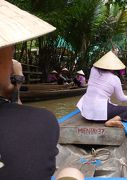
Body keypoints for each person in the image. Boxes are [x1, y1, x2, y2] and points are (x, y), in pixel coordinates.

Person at [0, 1, 59, 180]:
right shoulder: (43, 120)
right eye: (11, 58)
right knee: (71, 173)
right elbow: (18, 115)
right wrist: (15, 86)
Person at [77, 51, 127, 128]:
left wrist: (113, 56)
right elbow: (121, 98)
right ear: (114, 66)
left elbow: (96, 66)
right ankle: (112, 120)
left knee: (110, 104)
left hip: (86, 113)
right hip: (100, 113)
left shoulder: (93, 70)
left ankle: (111, 119)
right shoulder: (115, 79)